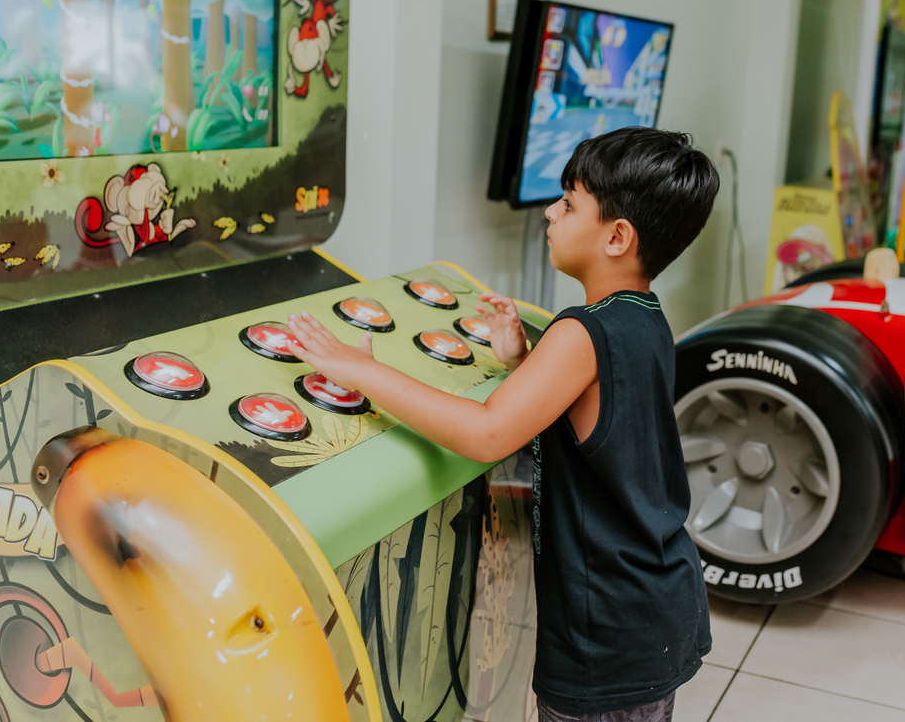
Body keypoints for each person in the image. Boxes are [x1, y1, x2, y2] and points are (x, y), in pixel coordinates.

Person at [285, 127, 719, 721]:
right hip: (655, 603)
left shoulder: (580, 333)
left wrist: (358, 368)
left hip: (606, 626)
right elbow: (598, 416)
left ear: (617, 236)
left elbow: (487, 432)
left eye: (568, 203)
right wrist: (523, 362)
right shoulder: (643, 319)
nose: (551, 211)